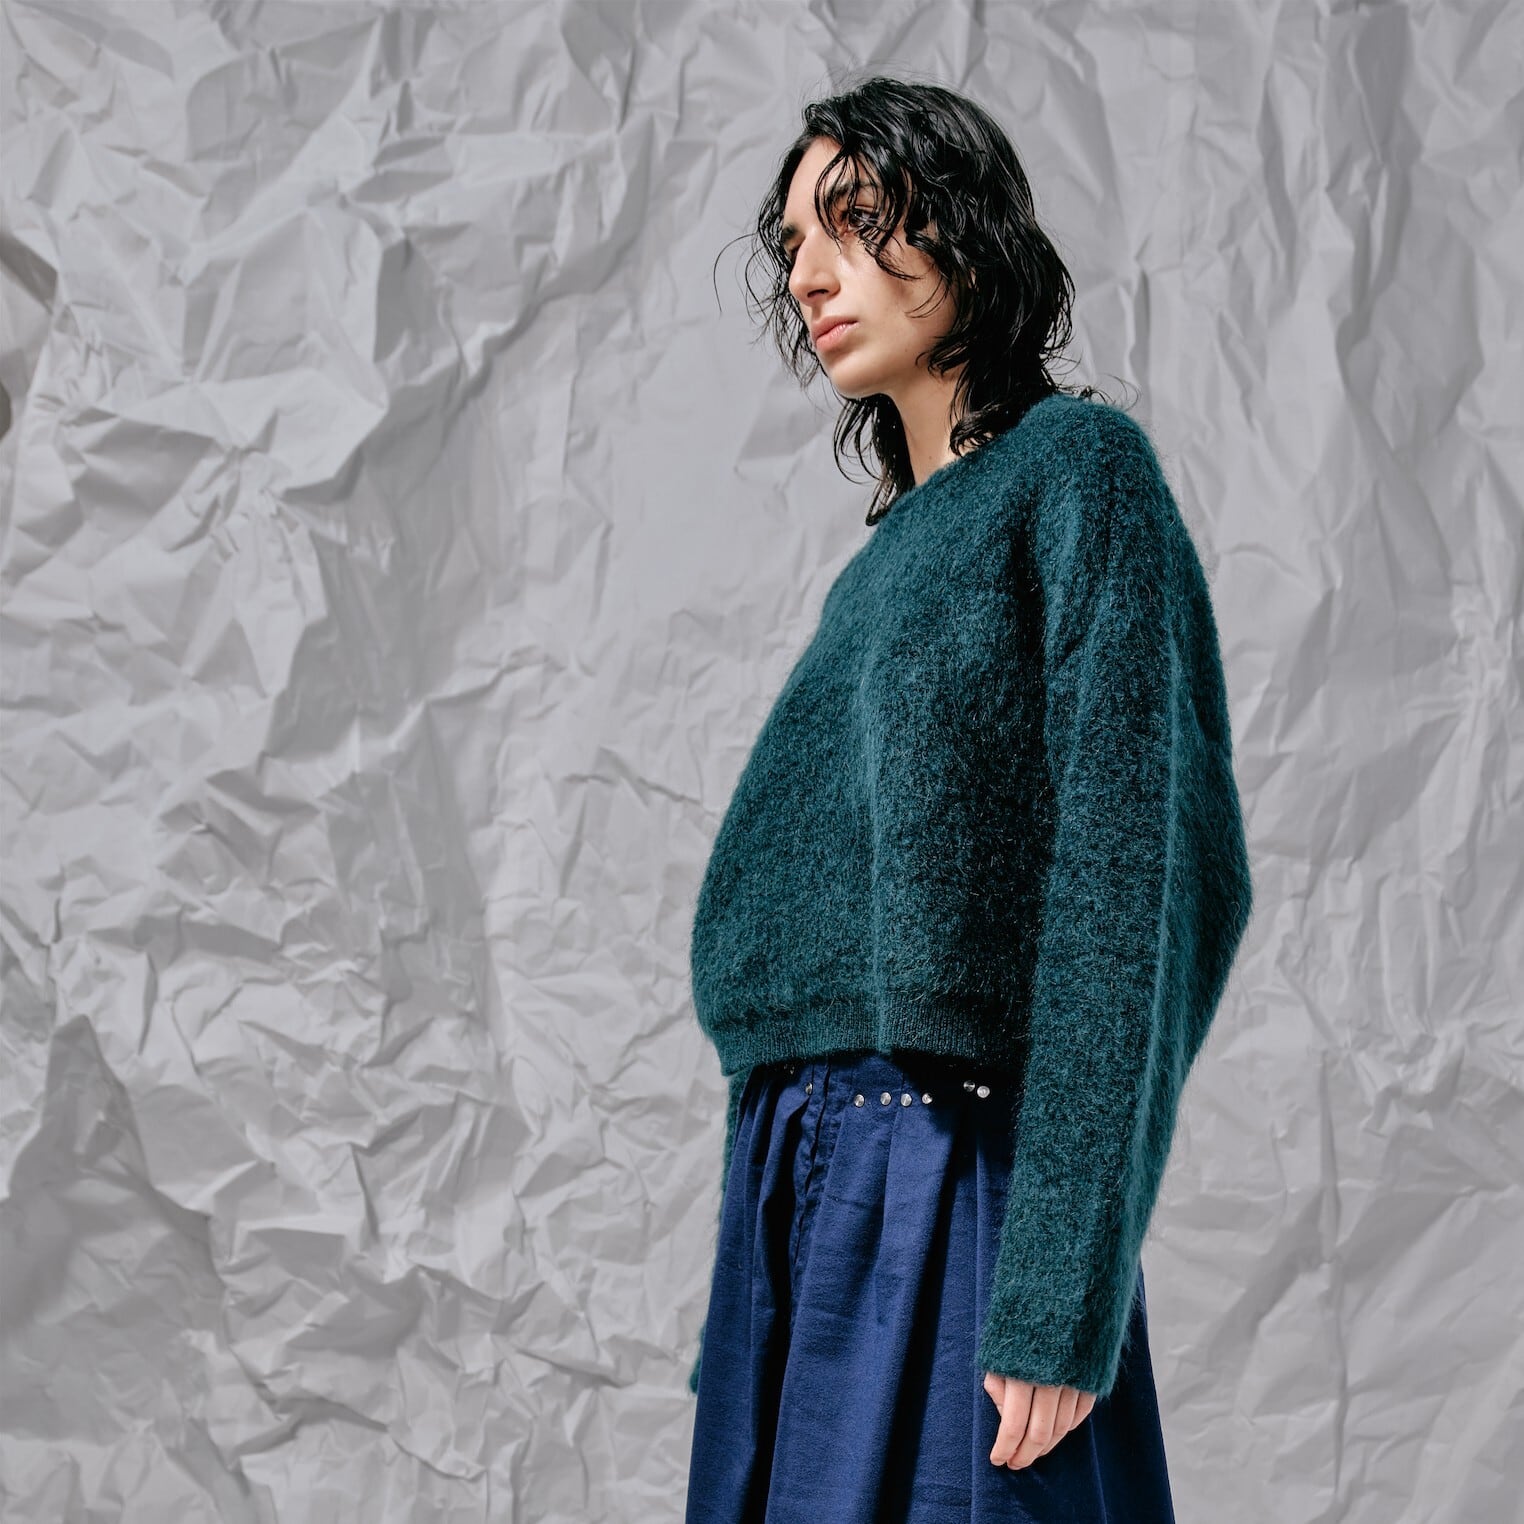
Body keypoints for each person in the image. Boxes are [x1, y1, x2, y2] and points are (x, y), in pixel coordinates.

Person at [683, 75, 1254, 1524]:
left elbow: (1139, 881)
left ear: (965, 235)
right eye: (793, 244)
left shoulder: (1080, 475)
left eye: (855, 222)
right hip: (810, 1188)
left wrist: (1059, 1285)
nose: (809, 275)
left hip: (949, 1178)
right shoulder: (887, 560)